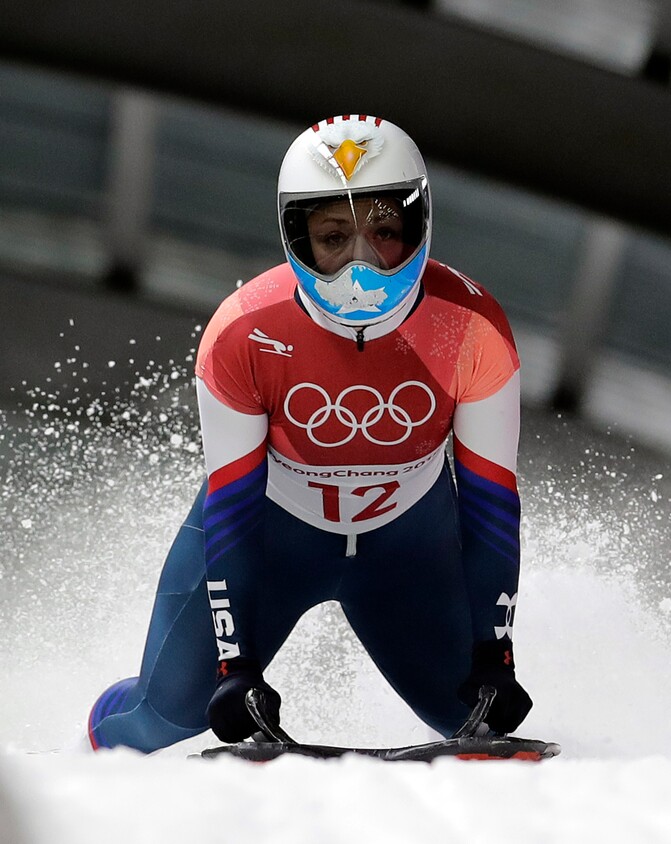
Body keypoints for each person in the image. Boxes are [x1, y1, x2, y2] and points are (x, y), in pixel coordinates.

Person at [87, 114, 533, 753]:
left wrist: (497, 654)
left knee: (477, 725)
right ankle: (90, 737)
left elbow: (492, 502)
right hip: (273, 543)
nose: (362, 266)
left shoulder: (472, 327)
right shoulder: (241, 332)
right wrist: (233, 666)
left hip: (407, 552)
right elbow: (233, 506)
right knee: (160, 720)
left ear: (418, 227)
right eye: (333, 236)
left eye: (383, 233)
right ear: (296, 236)